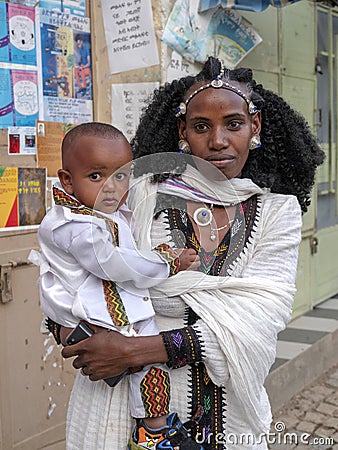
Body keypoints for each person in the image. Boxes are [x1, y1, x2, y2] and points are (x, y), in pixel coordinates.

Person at [59, 57, 325, 450]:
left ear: (256, 126)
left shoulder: (277, 212)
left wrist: (131, 349)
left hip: (228, 414)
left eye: (233, 124)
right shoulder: (140, 194)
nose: (218, 141)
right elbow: (70, 264)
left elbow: (260, 319)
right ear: (183, 131)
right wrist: (74, 333)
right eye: (202, 126)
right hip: (122, 407)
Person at [29, 122, 203, 450]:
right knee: (146, 359)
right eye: (96, 176)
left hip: (113, 307)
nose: (111, 187)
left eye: (121, 176)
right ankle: (154, 432)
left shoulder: (105, 212)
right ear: (67, 180)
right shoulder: (76, 226)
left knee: (145, 362)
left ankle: (154, 427)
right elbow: (116, 264)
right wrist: (169, 260)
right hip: (101, 311)